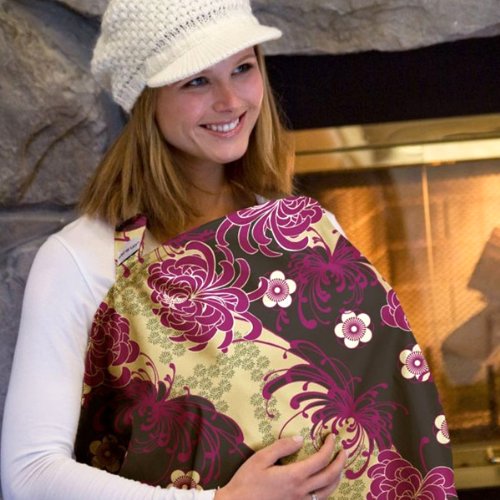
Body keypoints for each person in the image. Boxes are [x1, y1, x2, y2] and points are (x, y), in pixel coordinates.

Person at [1, 1, 456, 499]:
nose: (231, 100)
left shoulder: (308, 230)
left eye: (243, 68)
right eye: (196, 81)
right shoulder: (79, 261)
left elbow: (391, 404)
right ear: (145, 100)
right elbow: (30, 475)